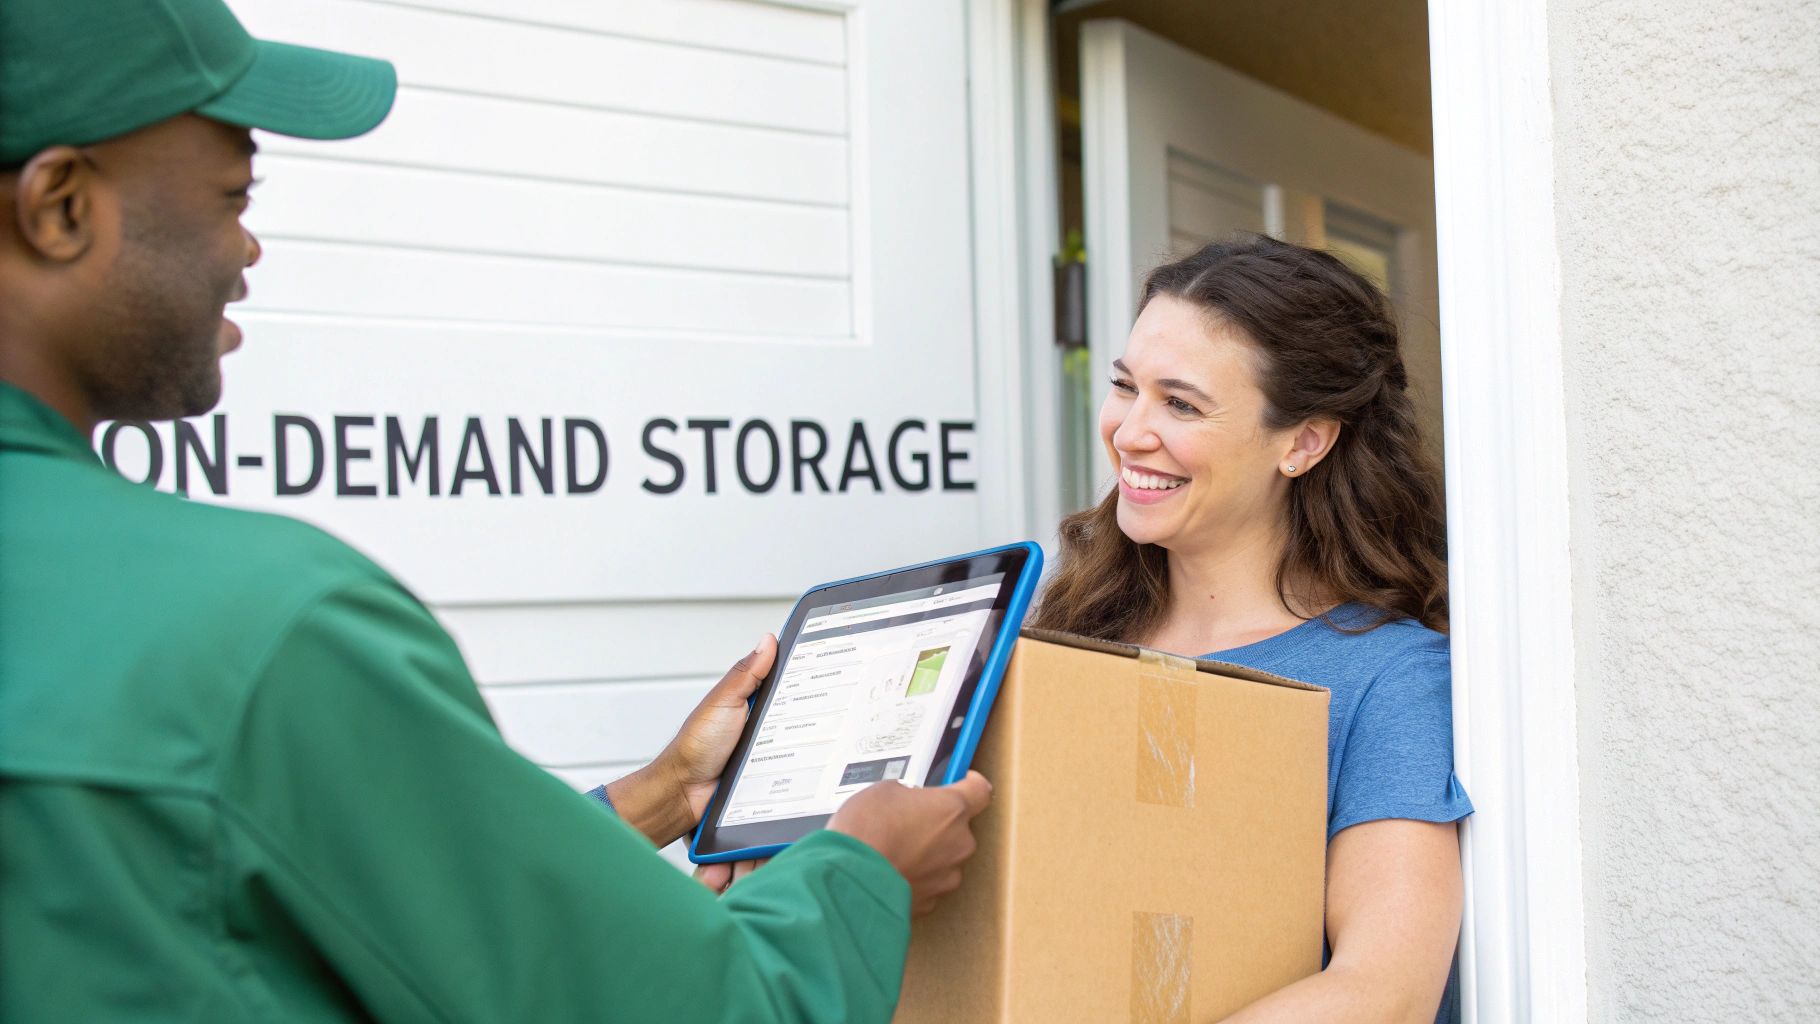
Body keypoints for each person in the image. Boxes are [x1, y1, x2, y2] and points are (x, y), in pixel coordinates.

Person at [0, 1, 991, 1020]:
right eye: (229, 195)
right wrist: (861, 866)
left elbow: (360, 897)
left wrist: (662, 791)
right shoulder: (264, 636)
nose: (245, 249)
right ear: (61, 207)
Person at [1031, 235, 1473, 1022]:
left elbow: (1386, 991)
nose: (1130, 432)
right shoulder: (1067, 635)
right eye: (1126, 387)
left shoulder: (1388, 679)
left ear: (1303, 441)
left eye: (1181, 404)